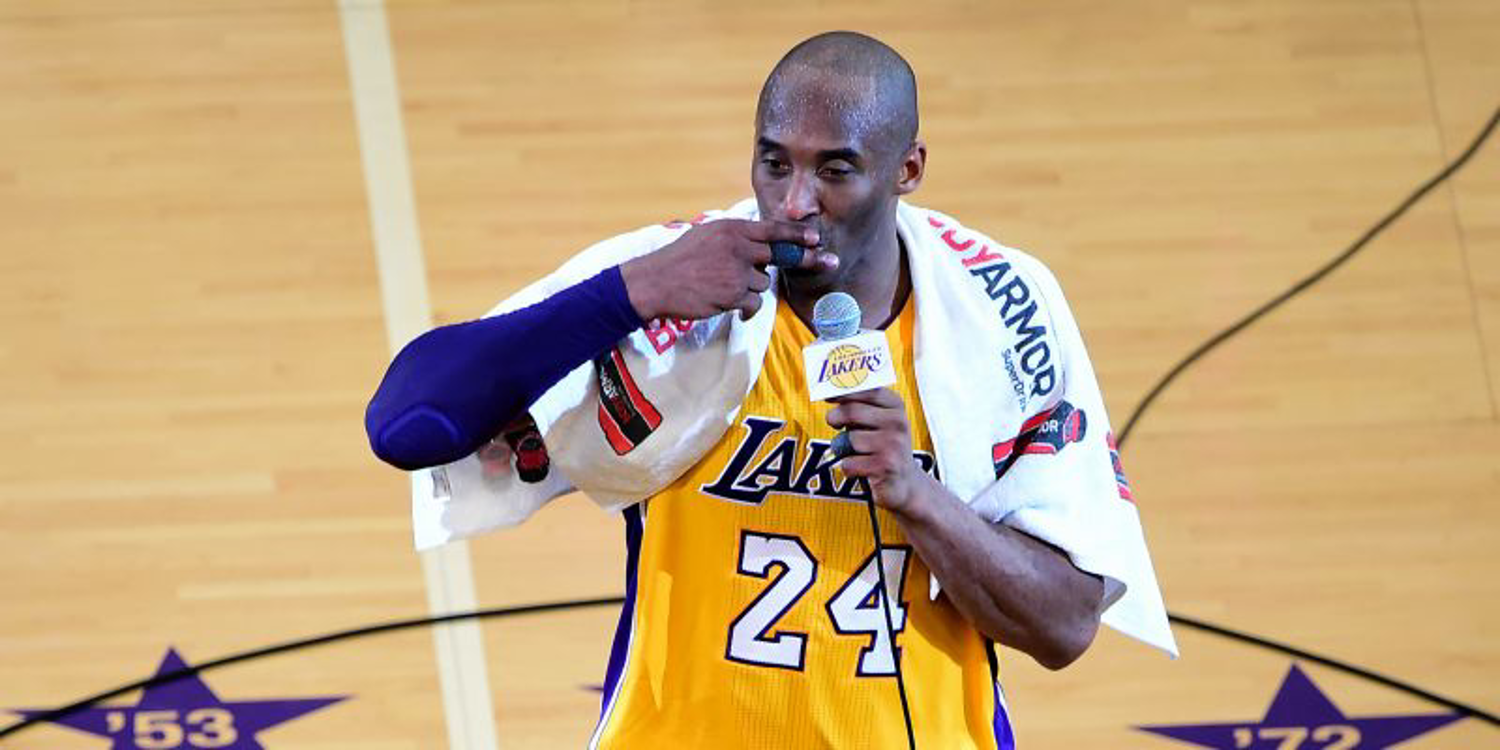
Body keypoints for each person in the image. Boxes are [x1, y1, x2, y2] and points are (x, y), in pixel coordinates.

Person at [366, 31, 1173, 749]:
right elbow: (407, 422)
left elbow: (1064, 626)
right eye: (774, 162)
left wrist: (918, 495)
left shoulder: (1002, 314)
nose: (794, 203)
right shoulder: (672, 285)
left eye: (835, 170)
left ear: (909, 169)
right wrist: (632, 292)